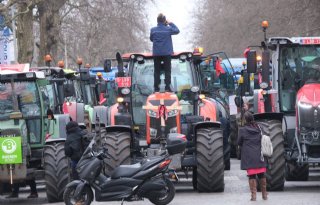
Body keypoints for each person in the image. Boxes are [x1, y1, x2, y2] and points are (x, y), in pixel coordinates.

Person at [238, 111, 267, 201]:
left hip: (249, 155)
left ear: (245, 120)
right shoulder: (259, 127)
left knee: (252, 175)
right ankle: (264, 195)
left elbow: (239, 142)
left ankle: (253, 196)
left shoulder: (242, 130)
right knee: (262, 174)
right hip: (259, 154)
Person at [150, 13, 180, 92]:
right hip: (167, 53)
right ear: (164, 21)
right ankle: (167, 87)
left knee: (157, 71)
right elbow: (177, 30)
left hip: (156, 53)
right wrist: (170, 23)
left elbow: (151, 39)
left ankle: (156, 87)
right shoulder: (168, 29)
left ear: (157, 21)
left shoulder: (153, 30)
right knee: (167, 71)